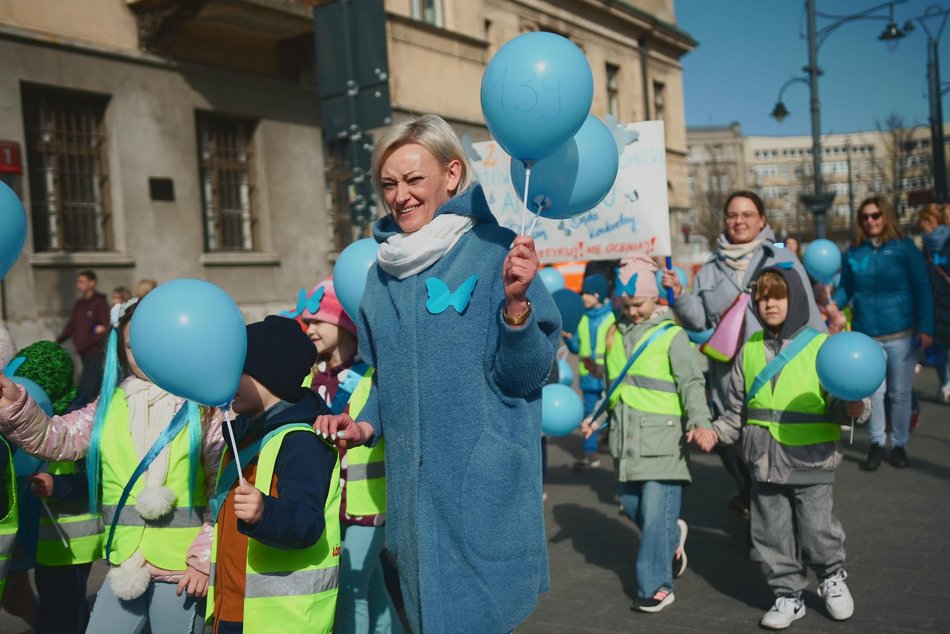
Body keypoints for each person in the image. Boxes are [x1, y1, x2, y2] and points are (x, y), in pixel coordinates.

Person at [315, 113, 560, 633]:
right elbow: (386, 377)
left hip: (482, 494)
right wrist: (366, 426)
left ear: (451, 176)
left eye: (412, 180)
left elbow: (531, 375)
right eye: (388, 184)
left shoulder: (498, 252)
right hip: (413, 508)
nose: (399, 195)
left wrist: (516, 309)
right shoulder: (382, 275)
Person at [0, 298, 221, 633]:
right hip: (124, 565)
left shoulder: (204, 409)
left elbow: (222, 491)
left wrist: (204, 562)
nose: (142, 356)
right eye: (132, 347)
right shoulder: (110, 403)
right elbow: (56, 437)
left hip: (181, 572)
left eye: (152, 345)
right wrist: (16, 403)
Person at [711, 267, 868, 630]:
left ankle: (831, 576)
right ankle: (788, 594)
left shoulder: (820, 345)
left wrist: (854, 407)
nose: (769, 304)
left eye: (777, 296)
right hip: (762, 459)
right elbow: (737, 407)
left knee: (817, 528)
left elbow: (841, 398)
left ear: (795, 299)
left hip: (810, 457)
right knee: (770, 531)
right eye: (763, 296)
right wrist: (714, 432)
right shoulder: (748, 350)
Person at [662, 191, 825, 522]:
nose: (739, 221)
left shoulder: (781, 259)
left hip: (778, 366)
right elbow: (698, 319)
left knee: (770, 437)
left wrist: (822, 356)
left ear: (762, 219)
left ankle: (772, 516)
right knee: (731, 444)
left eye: (748, 214)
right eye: (733, 215)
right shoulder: (709, 268)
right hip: (728, 371)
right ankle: (754, 497)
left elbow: (808, 313)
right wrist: (679, 295)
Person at [581, 254, 715, 613]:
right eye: (626, 305)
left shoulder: (672, 335)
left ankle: (656, 585)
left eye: (638, 304)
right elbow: (617, 389)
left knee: (655, 518)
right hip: (627, 443)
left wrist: (701, 423)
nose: (633, 311)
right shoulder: (616, 331)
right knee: (629, 505)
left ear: (655, 297)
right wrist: (598, 420)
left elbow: (692, 383)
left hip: (665, 442)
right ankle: (672, 535)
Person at [207, 315, 339, 633]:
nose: (225, 382)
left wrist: (265, 512)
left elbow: (307, 523)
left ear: (269, 374)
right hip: (231, 609)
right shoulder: (242, 437)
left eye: (236, 371)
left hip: (279, 620)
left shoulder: (300, 442)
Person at [299, 280, 402, 634]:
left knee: (350, 588)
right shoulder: (311, 378)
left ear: (344, 324)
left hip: (369, 504)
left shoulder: (373, 376)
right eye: (306, 322)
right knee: (371, 585)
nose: (309, 329)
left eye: (318, 321)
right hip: (329, 503)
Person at [829, 196, 934, 470]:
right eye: (865, 217)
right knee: (873, 393)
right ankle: (876, 443)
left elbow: (923, 288)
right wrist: (832, 304)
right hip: (867, 336)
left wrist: (927, 327)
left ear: (885, 216)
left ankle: (899, 445)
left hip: (902, 334)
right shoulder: (853, 252)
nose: (870, 221)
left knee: (899, 394)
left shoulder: (905, 248)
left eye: (875, 215)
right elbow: (846, 289)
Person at [6, 340, 97, 634]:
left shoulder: (80, 420)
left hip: (73, 542)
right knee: (54, 608)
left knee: (64, 613)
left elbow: (94, 476)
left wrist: (57, 484)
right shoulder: (23, 421)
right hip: (46, 540)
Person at [564, 273, 614, 469]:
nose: (583, 297)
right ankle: (590, 452)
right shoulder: (581, 318)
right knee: (589, 413)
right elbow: (576, 347)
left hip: (609, 376)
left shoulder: (612, 316)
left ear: (598, 295)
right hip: (588, 376)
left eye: (587, 293)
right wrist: (569, 338)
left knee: (612, 412)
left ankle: (613, 440)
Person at [56, 269, 110, 403]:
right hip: (82, 351)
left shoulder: (99, 302)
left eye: (82, 281)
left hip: (95, 351)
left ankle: (84, 408)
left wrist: (94, 339)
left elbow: (106, 325)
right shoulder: (79, 304)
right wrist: (58, 341)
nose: (79, 284)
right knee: (87, 381)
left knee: (89, 383)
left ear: (92, 283)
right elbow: (71, 326)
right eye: (78, 281)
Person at [917, 203, 950, 403]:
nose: (919, 225)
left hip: (945, 301)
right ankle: (946, 384)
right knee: (938, 347)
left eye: (921, 221)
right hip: (934, 304)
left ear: (929, 221)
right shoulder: (926, 247)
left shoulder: (946, 243)